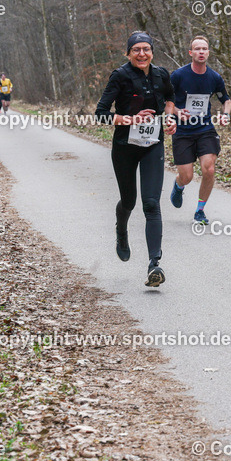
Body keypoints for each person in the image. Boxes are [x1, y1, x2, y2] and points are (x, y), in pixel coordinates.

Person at [95, 31, 177, 287]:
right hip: (124, 147)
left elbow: (171, 99)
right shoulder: (119, 76)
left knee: (151, 204)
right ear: (128, 53)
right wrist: (130, 119)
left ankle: (155, 264)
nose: (142, 54)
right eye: (136, 50)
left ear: (152, 51)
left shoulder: (162, 74)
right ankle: (121, 230)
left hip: (153, 145)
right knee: (129, 201)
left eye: (146, 49)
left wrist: (171, 117)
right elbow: (101, 114)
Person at [169, 36, 231, 224]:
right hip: (183, 132)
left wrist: (225, 115)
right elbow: (166, 102)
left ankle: (200, 211)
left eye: (204, 49)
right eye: (197, 49)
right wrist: (177, 113)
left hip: (205, 129)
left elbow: (226, 100)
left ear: (208, 53)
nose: (201, 52)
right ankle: (179, 186)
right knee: (187, 176)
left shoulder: (214, 77)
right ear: (191, 53)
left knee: (209, 169)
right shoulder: (178, 75)